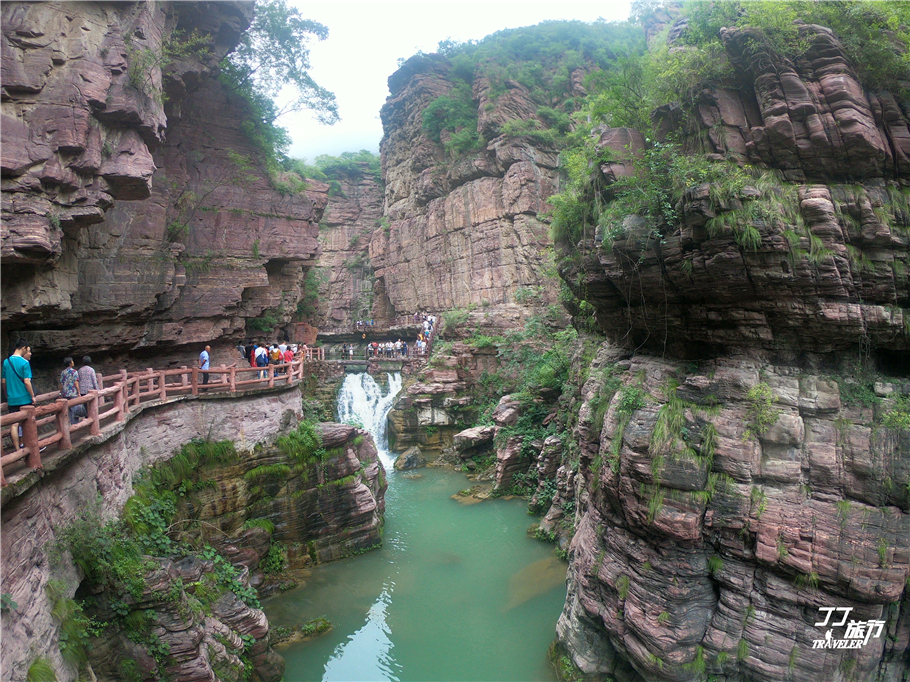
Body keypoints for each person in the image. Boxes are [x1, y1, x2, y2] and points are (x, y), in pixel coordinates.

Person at [2, 339, 36, 451]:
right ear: (23, 348)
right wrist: (32, 396)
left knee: (14, 424)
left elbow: (3, 381)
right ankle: (31, 447)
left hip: (12, 399)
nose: (29, 352)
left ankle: (18, 450)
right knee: (28, 422)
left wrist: (7, 395)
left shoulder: (6, 362)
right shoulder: (25, 363)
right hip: (24, 398)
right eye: (28, 350)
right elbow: (27, 381)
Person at [59, 357, 83, 424]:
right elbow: (76, 383)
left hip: (65, 394)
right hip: (73, 393)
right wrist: (79, 392)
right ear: (70, 363)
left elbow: (61, 383)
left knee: (67, 411)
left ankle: (68, 425)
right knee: (75, 411)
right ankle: (74, 425)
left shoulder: (63, 372)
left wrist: (60, 393)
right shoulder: (74, 372)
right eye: (72, 361)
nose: (73, 362)